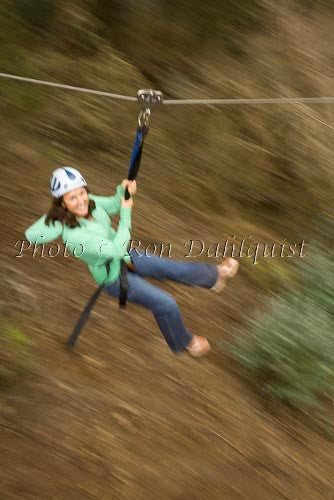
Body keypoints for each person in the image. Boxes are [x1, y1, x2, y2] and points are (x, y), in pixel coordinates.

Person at [25, 166, 239, 357]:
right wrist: (127, 212)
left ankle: (214, 276)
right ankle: (185, 342)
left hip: (127, 255)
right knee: (166, 303)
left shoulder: (89, 203)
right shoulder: (75, 237)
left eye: (81, 193)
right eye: (72, 198)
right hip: (114, 277)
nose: (81, 200)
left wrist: (122, 192)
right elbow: (115, 249)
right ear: (62, 203)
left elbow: (111, 204)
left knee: (171, 267)